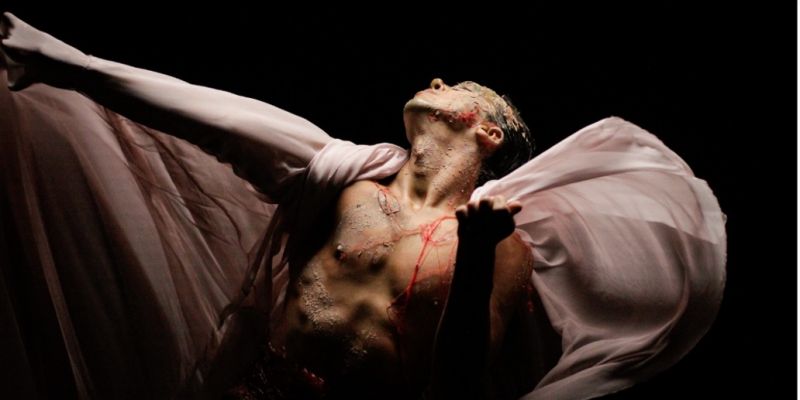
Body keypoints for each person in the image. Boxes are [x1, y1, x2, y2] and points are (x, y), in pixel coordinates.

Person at [0, 11, 726, 400]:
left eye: (457, 87)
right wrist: (69, 64)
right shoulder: (348, 179)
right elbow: (214, 118)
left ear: (489, 131)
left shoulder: (498, 244)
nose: (437, 79)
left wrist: (475, 260)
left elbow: (459, 389)